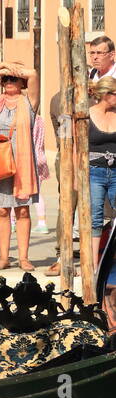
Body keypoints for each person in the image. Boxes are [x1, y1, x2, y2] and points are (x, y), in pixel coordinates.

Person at [0, 61, 43, 271]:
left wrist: (16, 68)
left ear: (22, 82)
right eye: (6, 79)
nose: (9, 82)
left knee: (23, 211)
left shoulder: (30, 102)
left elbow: (33, 73)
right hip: (0, 162)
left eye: (13, 78)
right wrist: (2, 66)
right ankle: (4, 257)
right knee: (2, 211)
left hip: (24, 165)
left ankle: (23, 257)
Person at [88, 78, 116, 267]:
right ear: (107, 94)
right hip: (94, 171)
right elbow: (76, 148)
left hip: (115, 171)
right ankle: (92, 264)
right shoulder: (87, 114)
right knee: (95, 217)